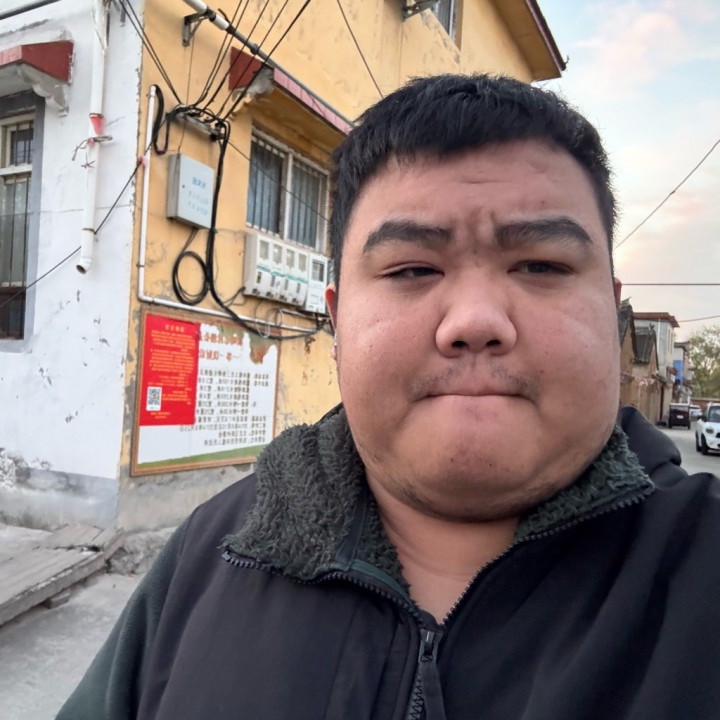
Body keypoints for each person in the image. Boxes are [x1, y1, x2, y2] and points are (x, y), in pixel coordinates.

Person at [57, 74, 720, 720]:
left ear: (613, 314)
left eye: (541, 265)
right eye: (412, 269)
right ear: (337, 321)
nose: (474, 321)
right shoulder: (212, 551)